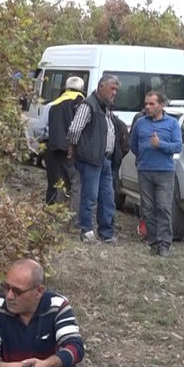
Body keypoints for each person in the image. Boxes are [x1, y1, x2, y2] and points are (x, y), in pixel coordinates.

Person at [68, 74, 121, 243]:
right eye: (112, 89)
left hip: (105, 159)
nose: (114, 93)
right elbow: (74, 129)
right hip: (91, 159)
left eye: (116, 90)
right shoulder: (88, 105)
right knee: (90, 196)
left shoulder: (106, 107)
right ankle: (86, 231)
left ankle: (106, 233)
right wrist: (76, 148)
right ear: (100, 87)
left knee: (107, 198)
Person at [129, 91, 182, 257]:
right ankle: (153, 243)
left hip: (165, 172)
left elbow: (177, 147)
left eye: (151, 104)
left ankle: (164, 244)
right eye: (146, 104)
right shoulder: (140, 123)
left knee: (164, 208)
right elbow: (133, 145)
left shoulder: (172, 124)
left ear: (161, 105)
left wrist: (160, 145)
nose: (147, 107)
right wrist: (143, 157)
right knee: (148, 209)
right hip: (145, 171)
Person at [44, 76, 85, 207]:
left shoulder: (54, 103)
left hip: (55, 148)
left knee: (60, 183)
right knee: (76, 184)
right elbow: (80, 127)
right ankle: (73, 219)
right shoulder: (80, 102)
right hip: (71, 150)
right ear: (82, 89)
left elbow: (42, 129)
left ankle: (58, 215)